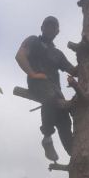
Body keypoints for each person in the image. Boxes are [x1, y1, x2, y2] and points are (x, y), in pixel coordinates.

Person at [15, 16, 78, 161]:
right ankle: (47, 138)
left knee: (65, 122)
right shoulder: (33, 41)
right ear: (42, 28)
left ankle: (75, 155)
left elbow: (74, 71)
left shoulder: (57, 54)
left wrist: (85, 58)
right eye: (47, 26)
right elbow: (20, 56)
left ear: (58, 31)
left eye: (53, 27)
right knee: (50, 98)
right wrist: (32, 73)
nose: (50, 29)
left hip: (56, 90)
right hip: (38, 83)